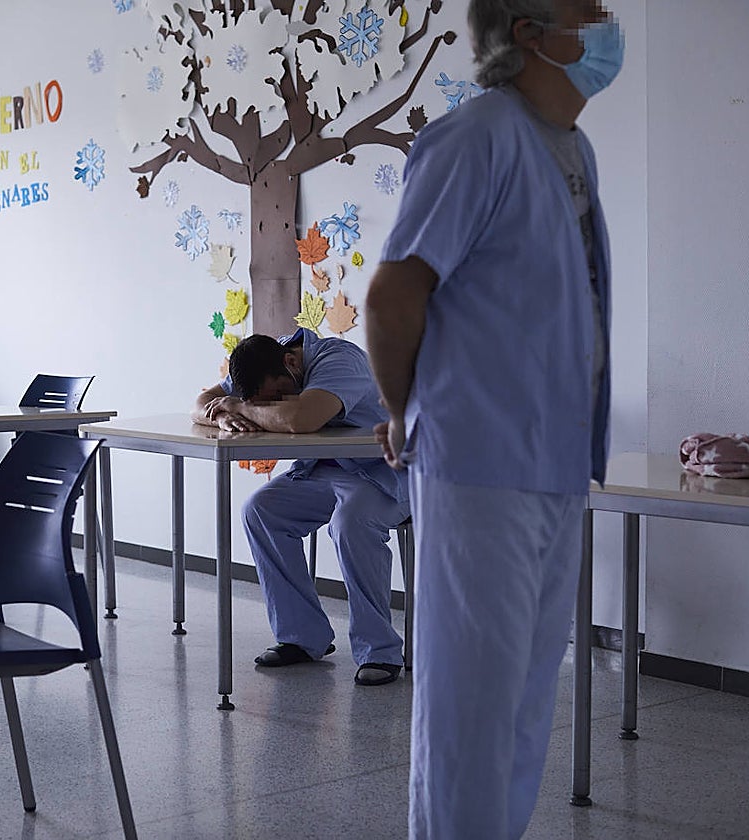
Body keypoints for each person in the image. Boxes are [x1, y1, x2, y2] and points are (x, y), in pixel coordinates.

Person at [363, 0, 620, 836]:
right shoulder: (478, 138)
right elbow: (395, 293)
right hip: (478, 466)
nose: (608, 23)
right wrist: (404, 412)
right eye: (591, 10)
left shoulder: (572, 151)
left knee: (520, 713)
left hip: (553, 468)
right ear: (532, 32)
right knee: (471, 714)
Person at [193, 328, 410, 686]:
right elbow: (201, 403)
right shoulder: (262, 360)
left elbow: (302, 419)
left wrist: (240, 406)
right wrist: (219, 414)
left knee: (350, 522)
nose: (271, 402)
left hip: (384, 473)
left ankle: (379, 650)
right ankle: (302, 637)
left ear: (291, 363)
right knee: (261, 510)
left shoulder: (340, 359)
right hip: (325, 469)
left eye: (276, 396)